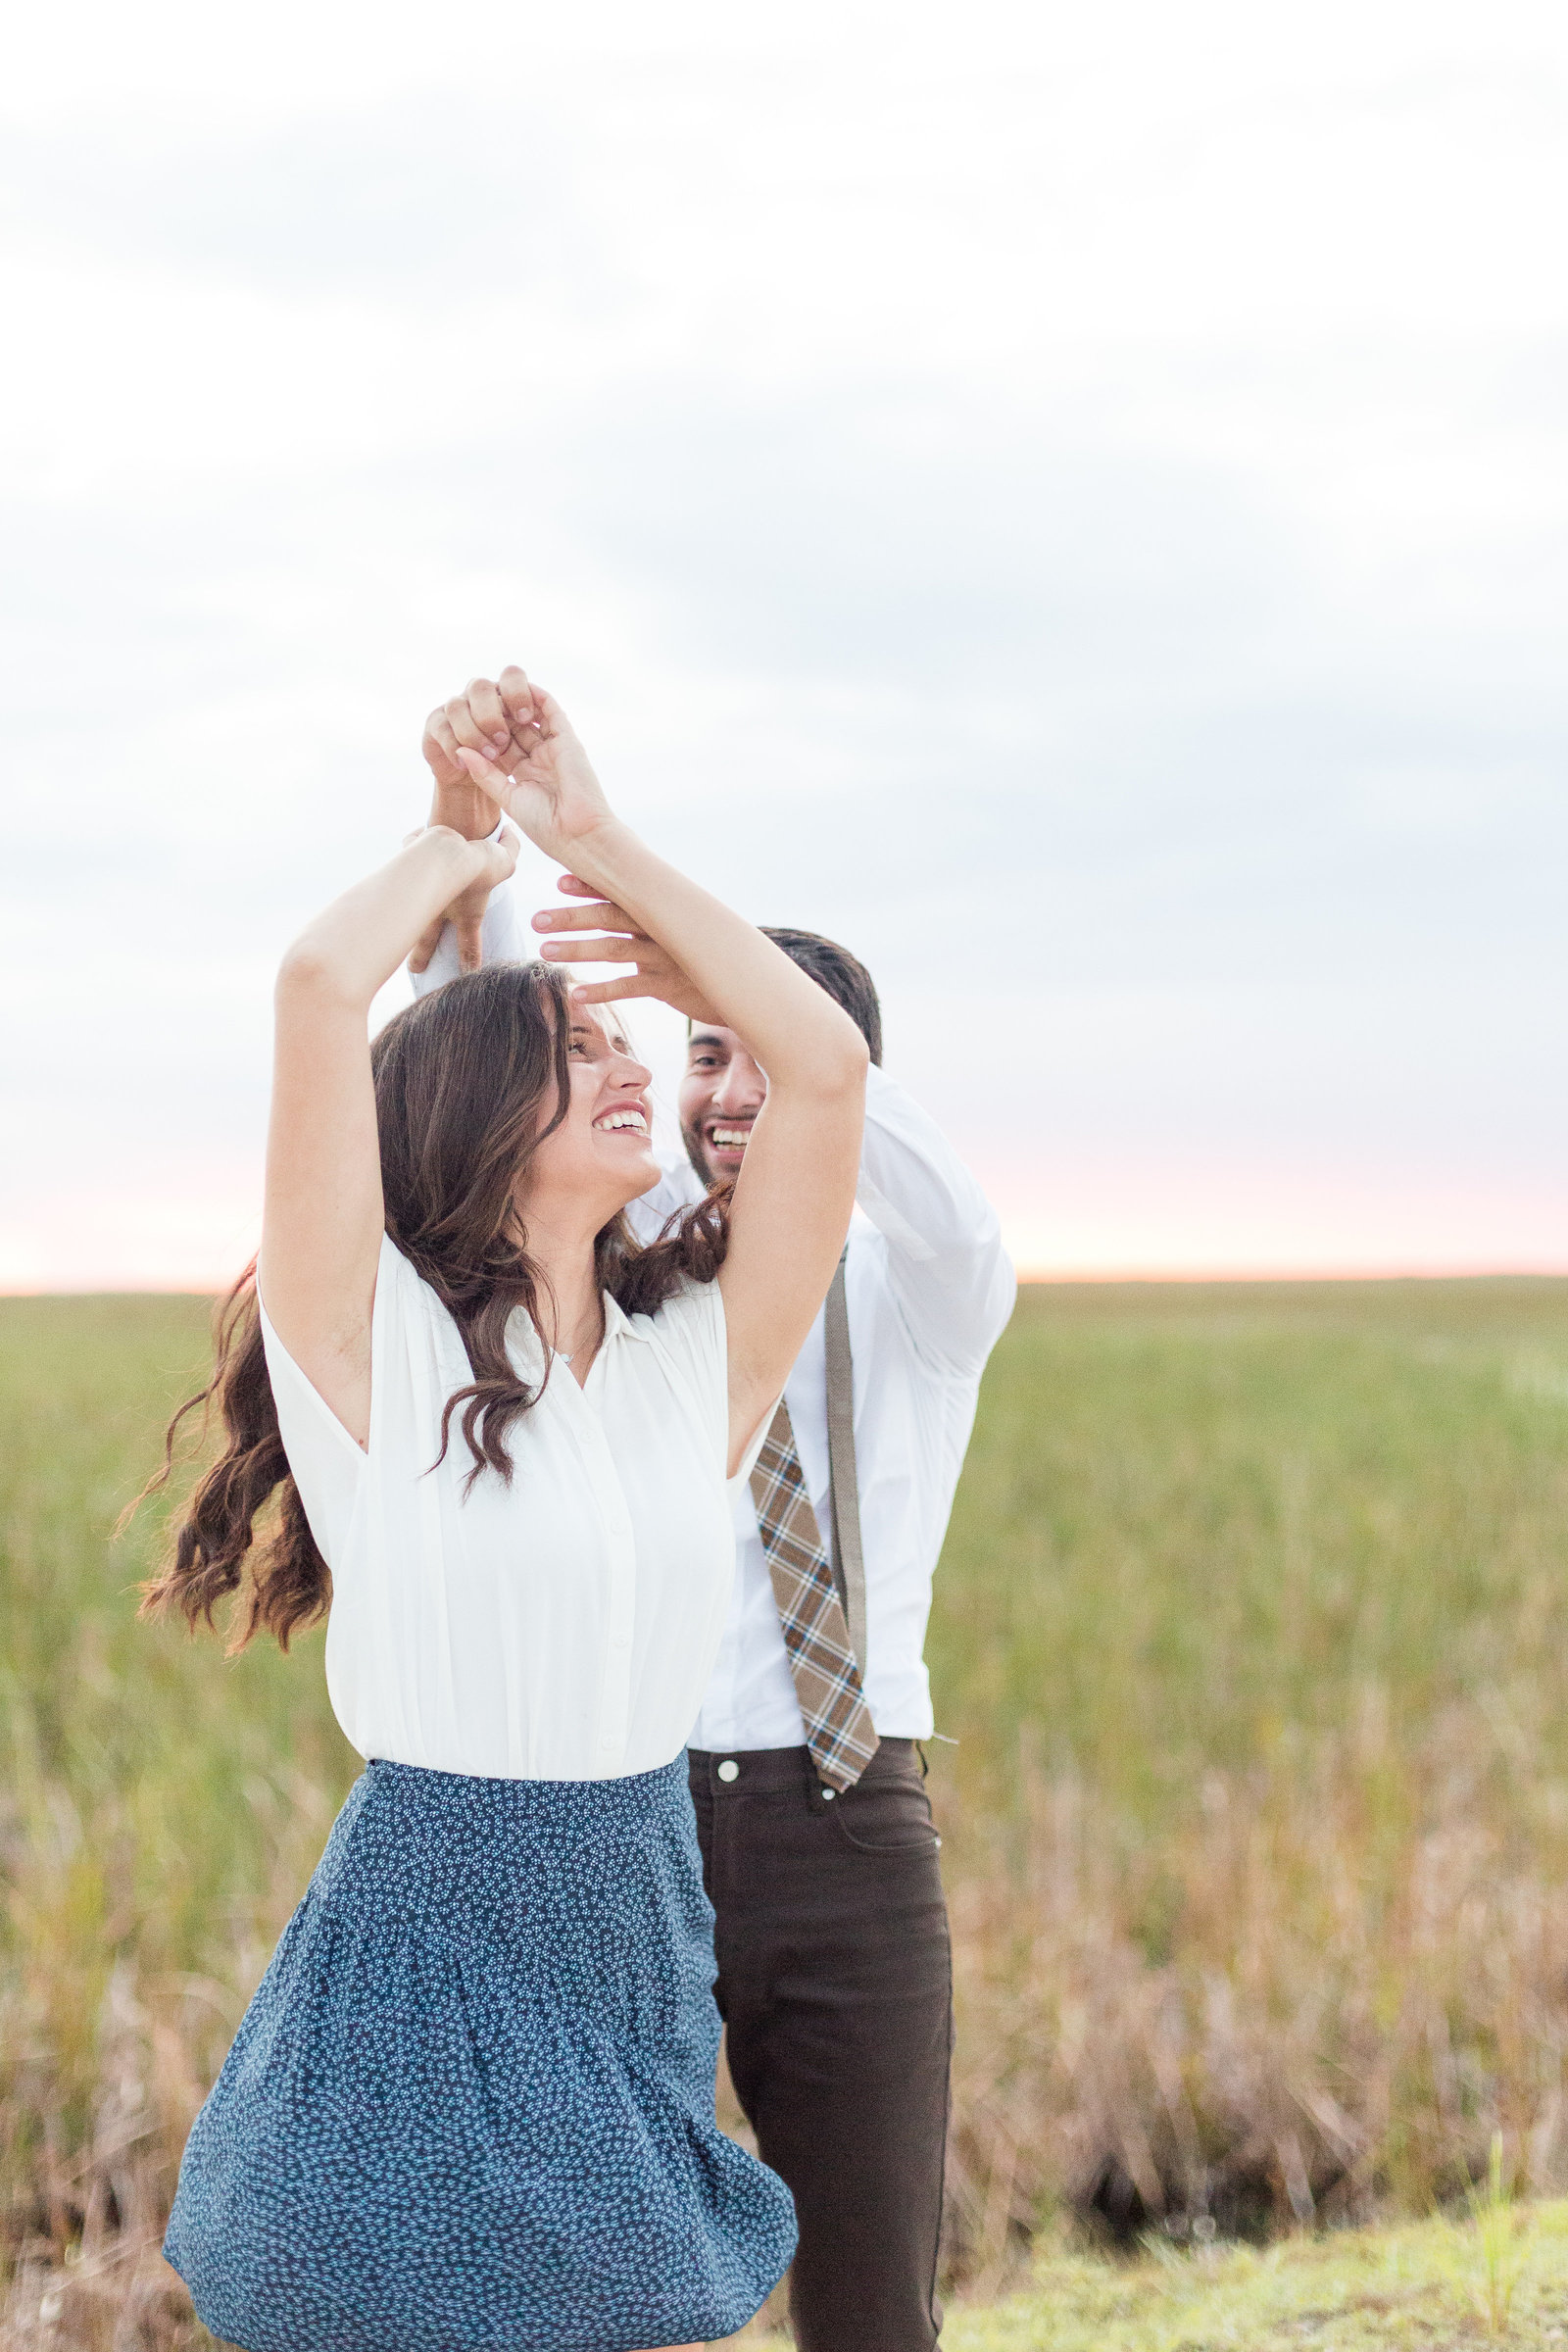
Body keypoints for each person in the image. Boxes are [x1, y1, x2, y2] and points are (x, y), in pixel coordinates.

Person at [141, 665, 873, 2352]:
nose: (632, 1067)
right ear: (478, 1115)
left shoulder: (698, 1358)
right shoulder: (375, 1348)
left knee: (630, 2318)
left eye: (623, 1039)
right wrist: (459, 838)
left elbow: (821, 1068)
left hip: (631, 1902)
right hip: (431, 1935)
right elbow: (322, 985)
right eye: (577, 1050)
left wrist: (600, 839)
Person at [413, 680, 1017, 2352]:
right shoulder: (635, 1263)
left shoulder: (925, 1289)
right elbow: (496, 1071)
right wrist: (478, 857)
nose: (724, 1095)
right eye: (701, 1059)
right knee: (594, 2290)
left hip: (848, 1828)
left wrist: (752, 1004)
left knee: (871, 2303)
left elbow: (906, 1169)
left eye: (760, 1056)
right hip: (627, 1828)